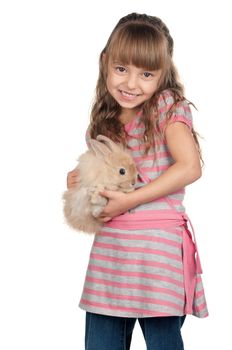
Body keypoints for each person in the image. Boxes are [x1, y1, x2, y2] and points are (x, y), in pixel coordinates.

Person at [67, 12, 208, 350]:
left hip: (156, 253)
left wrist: (130, 200)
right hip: (112, 253)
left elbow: (190, 167)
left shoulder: (165, 107)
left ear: (163, 74)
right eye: (122, 69)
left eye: (146, 73)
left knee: (162, 342)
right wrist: (80, 179)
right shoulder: (103, 124)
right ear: (105, 62)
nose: (131, 84)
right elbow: (103, 180)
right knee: (100, 343)